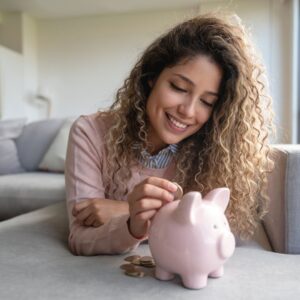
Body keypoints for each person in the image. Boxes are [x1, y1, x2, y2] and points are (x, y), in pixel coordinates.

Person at [65, 13, 274, 256]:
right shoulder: (89, 133)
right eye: (179, 88)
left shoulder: (216, 151)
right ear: (152, 77)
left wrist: (123, 210)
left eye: (207, 102)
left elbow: (218, 228)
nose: (187, 111)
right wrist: (133, 225)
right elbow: (80, 237)